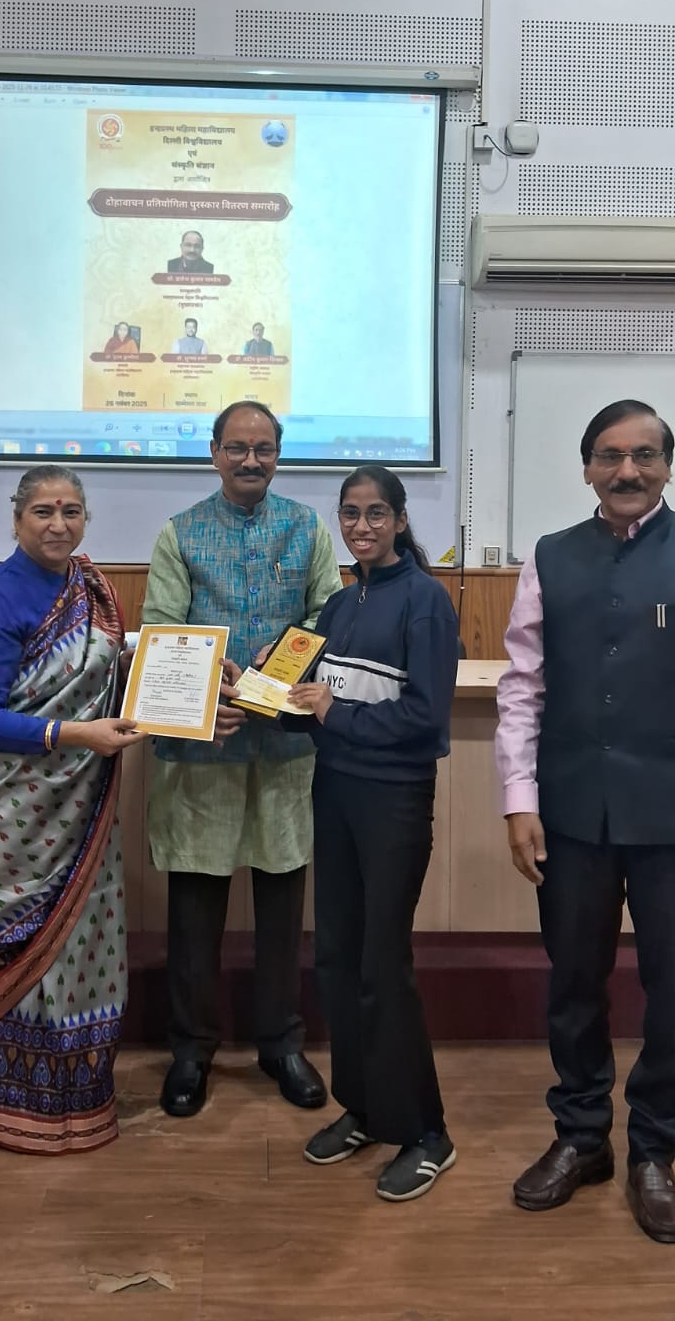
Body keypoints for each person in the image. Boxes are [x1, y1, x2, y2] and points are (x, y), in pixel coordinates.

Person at [496, 399, 675, 1243]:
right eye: (610, 455)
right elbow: (522, 686)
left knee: (672, 988)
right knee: (573, 983)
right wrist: (518, 800)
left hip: (669, 815)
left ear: (667, 466)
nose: (627, 471)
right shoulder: (549, 557)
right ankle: (581, 1136)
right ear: (587, 468)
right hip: (570, 812)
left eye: (644, 455)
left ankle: (655, 1147)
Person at [142, 400, 342, 1121]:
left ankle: (281, 1045)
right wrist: (209, 697)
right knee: (195, 909)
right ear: (215, 453)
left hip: (285, 746)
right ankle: (191, 1051)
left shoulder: (308, 529)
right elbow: (161, 630)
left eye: (263, 448)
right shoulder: (180, 533)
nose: (251, 460)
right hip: (204, 749)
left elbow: (328, 615)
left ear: (279, 455)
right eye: (237, 447)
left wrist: (278, 669)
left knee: (283, 905)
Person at [0, 465, 141, 1154]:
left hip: (75, 812)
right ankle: (3, 1108)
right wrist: (77, 735)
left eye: (70, 511)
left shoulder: (88, 587)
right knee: (15, 956)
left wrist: (203, 673)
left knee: (79, 954)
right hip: (11, 824)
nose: (58, 524)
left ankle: (77, 1105)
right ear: (16, 520)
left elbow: (107, 664)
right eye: (42, 511)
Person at [287, 465, 459, 1202]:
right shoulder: (338, 600)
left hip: (392, 803)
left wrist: (336, 714)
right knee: (337, 958)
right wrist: (249, 691)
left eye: (376, 513)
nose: (362, 526)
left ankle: (427, 1133)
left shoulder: (424, 600)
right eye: (351, 514)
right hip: (335, 794)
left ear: (399, 519)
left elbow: (425, 719)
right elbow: (306, 702)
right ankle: (363, 1108)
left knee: (383, 965)